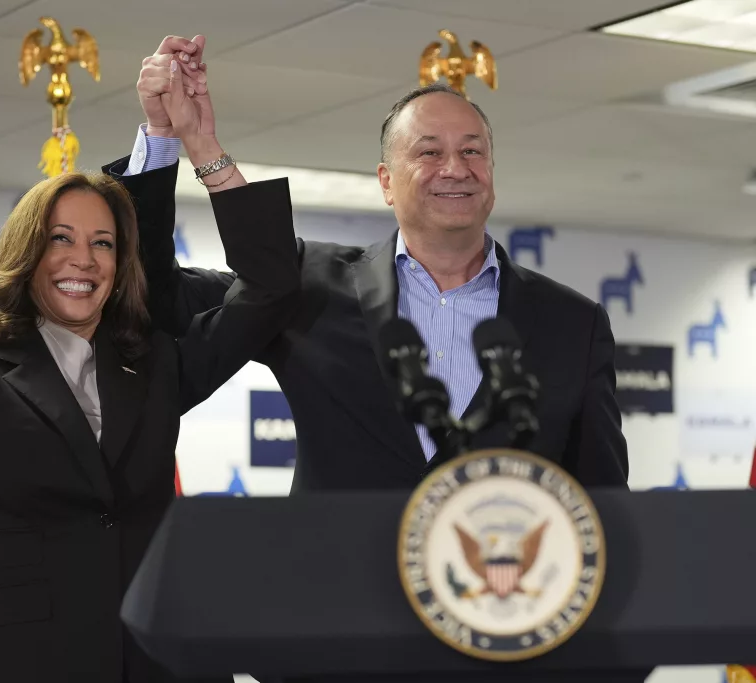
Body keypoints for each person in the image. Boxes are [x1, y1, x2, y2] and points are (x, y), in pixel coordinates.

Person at [0, 52, 299, 683]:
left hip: (154, 659)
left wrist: (201, 145)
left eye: (103, 243)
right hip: (15, 662)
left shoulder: (157, 361)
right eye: (60, 239)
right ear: (27, 252)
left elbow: (271, 291)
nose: (83, 259)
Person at [107, 36, 629, 493]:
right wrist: (170, 140)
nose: (455, 167)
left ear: (491, 171)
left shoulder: (574, 324)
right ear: (385, 181)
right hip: (338, 595)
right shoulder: (305, 285)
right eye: (428, 152)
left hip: (501, 593)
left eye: (473, 152)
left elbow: (602, 500)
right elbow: (158, 295)